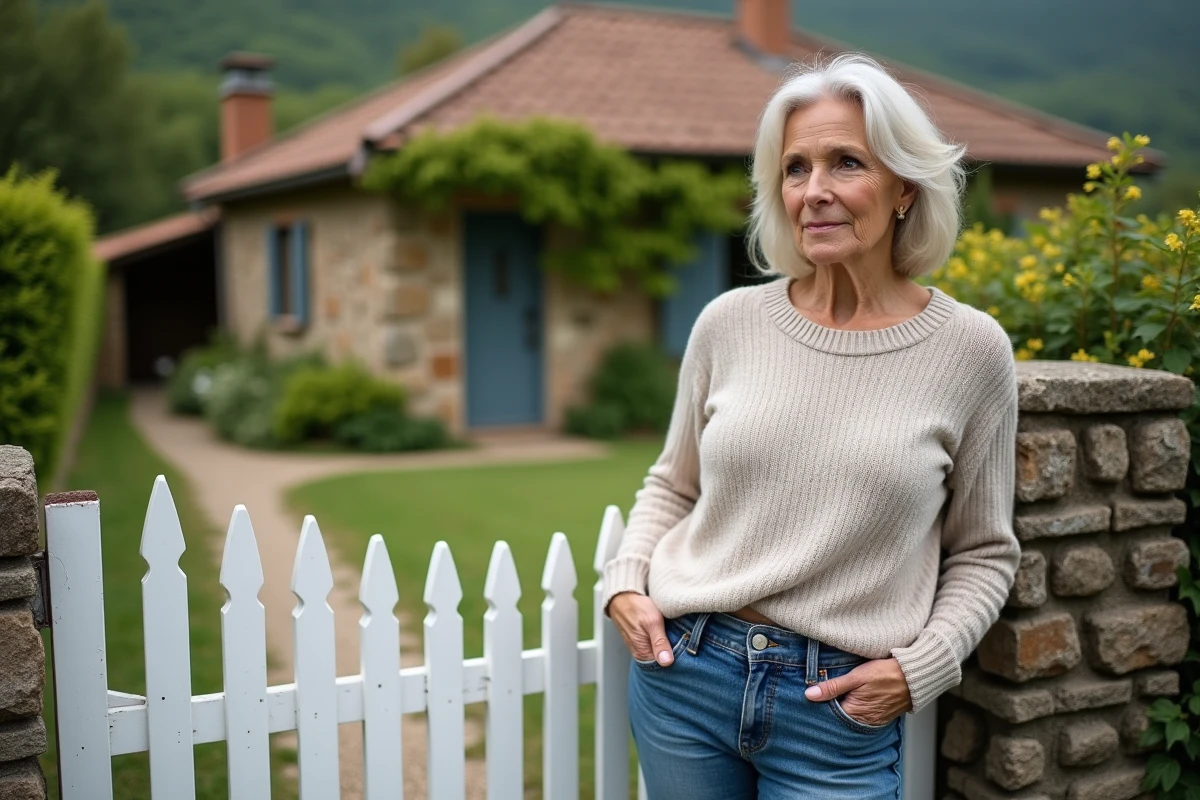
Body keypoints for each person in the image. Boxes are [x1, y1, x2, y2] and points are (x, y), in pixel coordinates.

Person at [601, 52, 1020, 799]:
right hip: (684, 678)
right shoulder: (728, 322)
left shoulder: (971, 350)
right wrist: (626, 584)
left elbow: (984, 552)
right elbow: (673, 485)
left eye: (846, 163)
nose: (815, 192)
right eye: (796, 169)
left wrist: (919, 668)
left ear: (903, 189)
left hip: (836, 710)